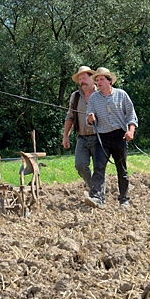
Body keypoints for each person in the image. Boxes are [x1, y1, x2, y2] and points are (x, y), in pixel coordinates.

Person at [84, 67, 138, 209]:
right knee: (99, 167)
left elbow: (131, 115)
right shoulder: (94, 98)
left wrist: (131, 131)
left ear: (109, 81)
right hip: (102, 137)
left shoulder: (122, 95)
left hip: (120, 136)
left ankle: (124, 199)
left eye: (101, 79)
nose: (98, 82)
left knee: (122, 169)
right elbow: (88, 118)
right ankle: (96, 198)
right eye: (97, 80)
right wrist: (90, 118)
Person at [62, 66, 99, 200]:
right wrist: (65, 136)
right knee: (80, 165)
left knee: (99, 168)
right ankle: (94, 188)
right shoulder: (75, 96)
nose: (81, 81)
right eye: (80, 79)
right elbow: (70, 117)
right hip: (82, 137)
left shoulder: (100, 93)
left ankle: (98, 195)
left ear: (91, 78)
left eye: (84, 78)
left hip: (98, 137)